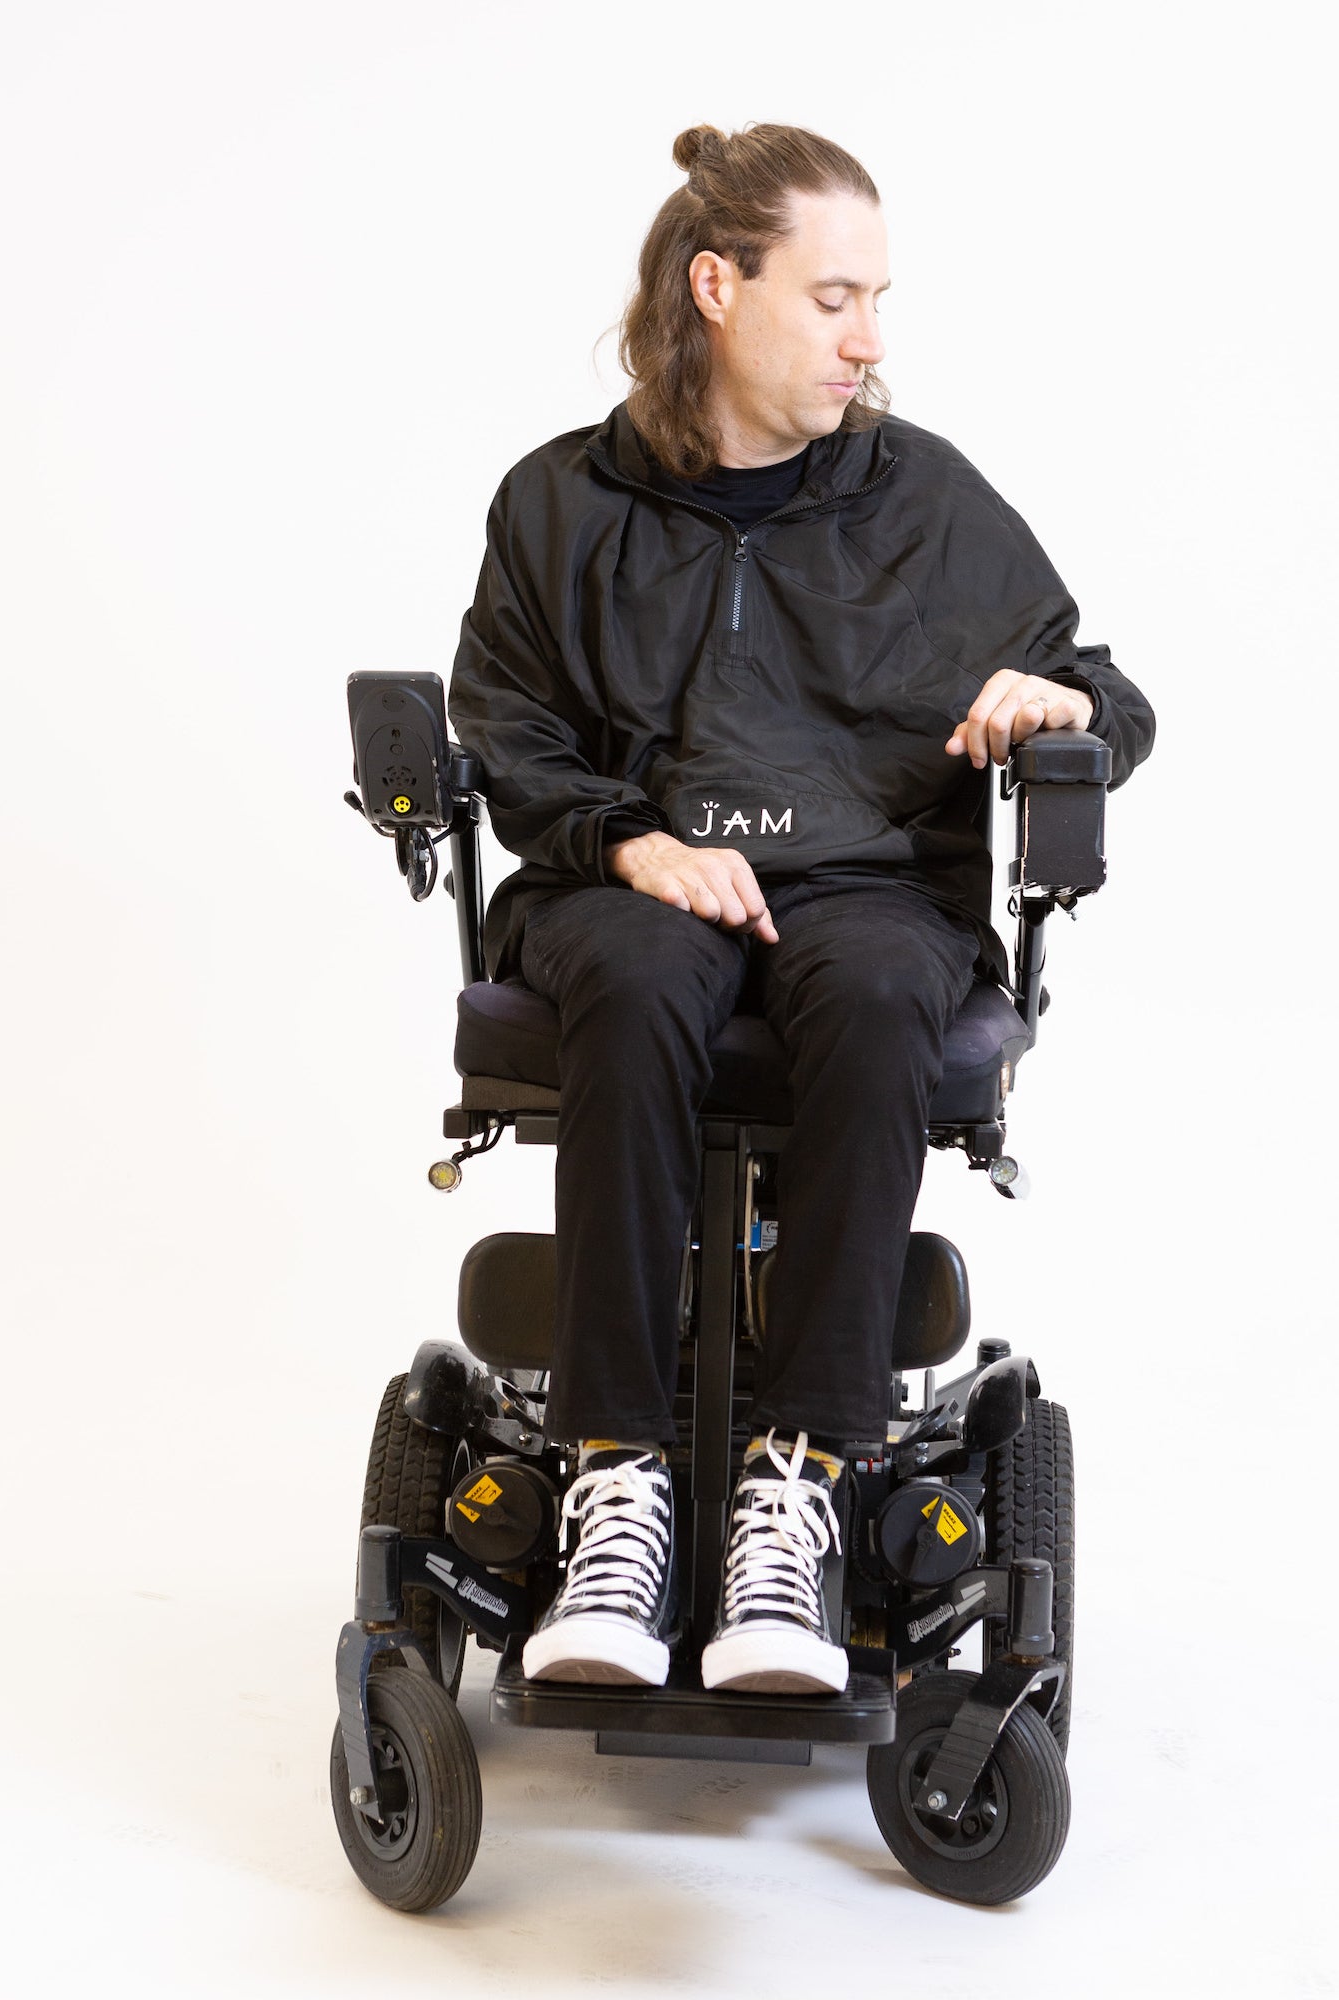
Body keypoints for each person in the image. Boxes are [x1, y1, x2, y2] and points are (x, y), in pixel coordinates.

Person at [448, 121, 1154, 1698]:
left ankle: (805, 1486)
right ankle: (616, 1480)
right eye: (835, 297)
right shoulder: (560, 504)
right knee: (631, 982)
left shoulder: (922, 499)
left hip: (869, 886)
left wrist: (1054, 695)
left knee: (889, 985)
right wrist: (629, 842)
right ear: (718, 286)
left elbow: (1109, 692)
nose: (869, 339)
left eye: (878, 299)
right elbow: (504, 732)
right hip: (632, 882)